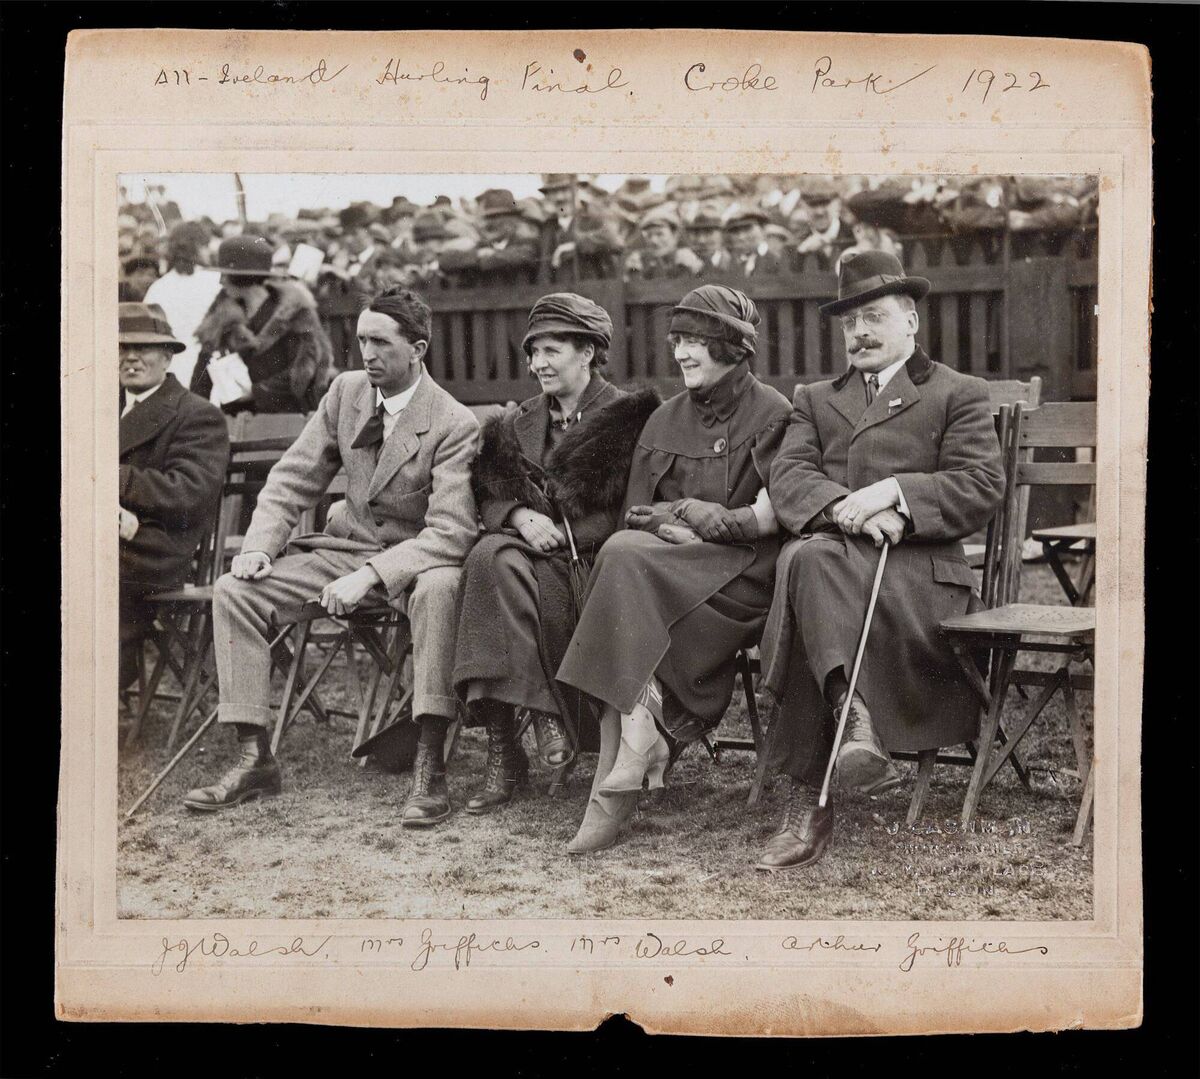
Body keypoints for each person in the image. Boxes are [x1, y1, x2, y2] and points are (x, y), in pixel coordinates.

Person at [181, 288, 480, 826]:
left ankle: (429, 765)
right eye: (361, 340)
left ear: (418, 348)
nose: (366, 353)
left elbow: (452, 533)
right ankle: (254, 758)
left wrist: (370, 576)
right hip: (343, 546)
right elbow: (293, 478)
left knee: (441, 589)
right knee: (234, 590)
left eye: (381, 343)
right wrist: (256, 548)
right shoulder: (345, 393)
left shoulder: (454, 423)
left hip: (413, 560)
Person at [755, 250, 1005, 872]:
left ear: (911, 322)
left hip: (920, 578)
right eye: (849, 323)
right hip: (839, 563)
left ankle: (806, 800)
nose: (860, 333)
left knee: (806, 566)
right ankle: (853, 721)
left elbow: (979, 486)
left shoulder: (957, 393)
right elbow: (788, 477)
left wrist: (895, 496)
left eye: (874, 316)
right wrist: (850, 509)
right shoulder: (815, 398)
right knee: (812, 562)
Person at [557, 285, 792, 853]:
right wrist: (679, 519)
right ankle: (639, 736)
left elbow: (781, 516)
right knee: (622, 556)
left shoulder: (776, 414)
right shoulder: (663, 420)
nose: (683, 354)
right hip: (666, 569)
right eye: (678, 341)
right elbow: (635, 514)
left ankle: (625, 769)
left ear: (733, 348)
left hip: (743, 581)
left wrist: (707, 524)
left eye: (697, 343)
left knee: (623, 566)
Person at [453, 294, 660, 813]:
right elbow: (490, 490)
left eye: (551, 351)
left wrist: (564, 534)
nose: (537, 364)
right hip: (526, 557)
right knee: (490, 559)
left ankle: (517, 741)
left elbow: (637, 507)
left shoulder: (629, 418)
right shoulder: (518, 423)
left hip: (596, 564)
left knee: (493, 564)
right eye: (532, 353)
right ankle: (524, 732)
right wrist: (522, 518)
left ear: (588, 352)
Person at [117, 303, 229, 692]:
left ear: (167, 356)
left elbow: (188, 491)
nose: (130, 357)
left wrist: (108, 482)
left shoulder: (194, 414)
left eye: (142, 348)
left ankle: (106, 672)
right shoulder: (100, 406)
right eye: (121, 347)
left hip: (159, 549)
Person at [191, 235, 335, 414]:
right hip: (237, 418)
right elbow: (203, 371)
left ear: (246, 278)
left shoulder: (296, 313)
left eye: (225, 275)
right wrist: (194, 413)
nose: (221, 281)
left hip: (285, 419)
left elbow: (302, 371)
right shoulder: (221, 312)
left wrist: (255, 392)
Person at [143, 222, 222, 389]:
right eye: (206, 246)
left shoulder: (158, 288)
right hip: (208, 375)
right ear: (198, 247)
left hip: (169, 372)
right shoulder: (215, 282)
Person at [438, 189, 541, 287]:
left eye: (497, 217)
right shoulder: (482, 246)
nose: (490, 223)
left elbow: (523, 256)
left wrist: (488, 257)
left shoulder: (526, 243)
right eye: (487, 218)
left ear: (513, 220)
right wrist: (478, 255)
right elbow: (445, 261)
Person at [624, 204, 703, 279]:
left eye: (660, 234)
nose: (654, 241)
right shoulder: (640, 260)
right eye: (649, 235)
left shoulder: (688, 257)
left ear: (675, 235)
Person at [793, 181, 854, 267]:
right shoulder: (797, 243)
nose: (819, 212)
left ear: (837, 204)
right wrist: (800, 255)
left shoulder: (854, 237)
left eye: (825, 203)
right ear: (803, 206)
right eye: (812, 205)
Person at [723, 205, 784, 277]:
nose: (741, 237)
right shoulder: (732, 263)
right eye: (735, 231)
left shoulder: (778, 259)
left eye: (747, 229)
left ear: (763, 229)